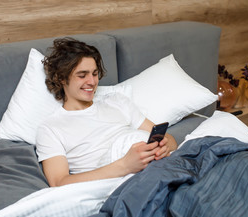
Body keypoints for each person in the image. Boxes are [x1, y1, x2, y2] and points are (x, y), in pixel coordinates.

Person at [36, 37, 177, 187]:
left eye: (95, 74)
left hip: (159, 164)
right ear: (61, 78)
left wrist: (164, 146)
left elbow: (170, 140)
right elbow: (59, 182)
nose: (92, 81)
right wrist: (125, 166)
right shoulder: (51, 128)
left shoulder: (117, 101)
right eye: (82, 75)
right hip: (129, 178)